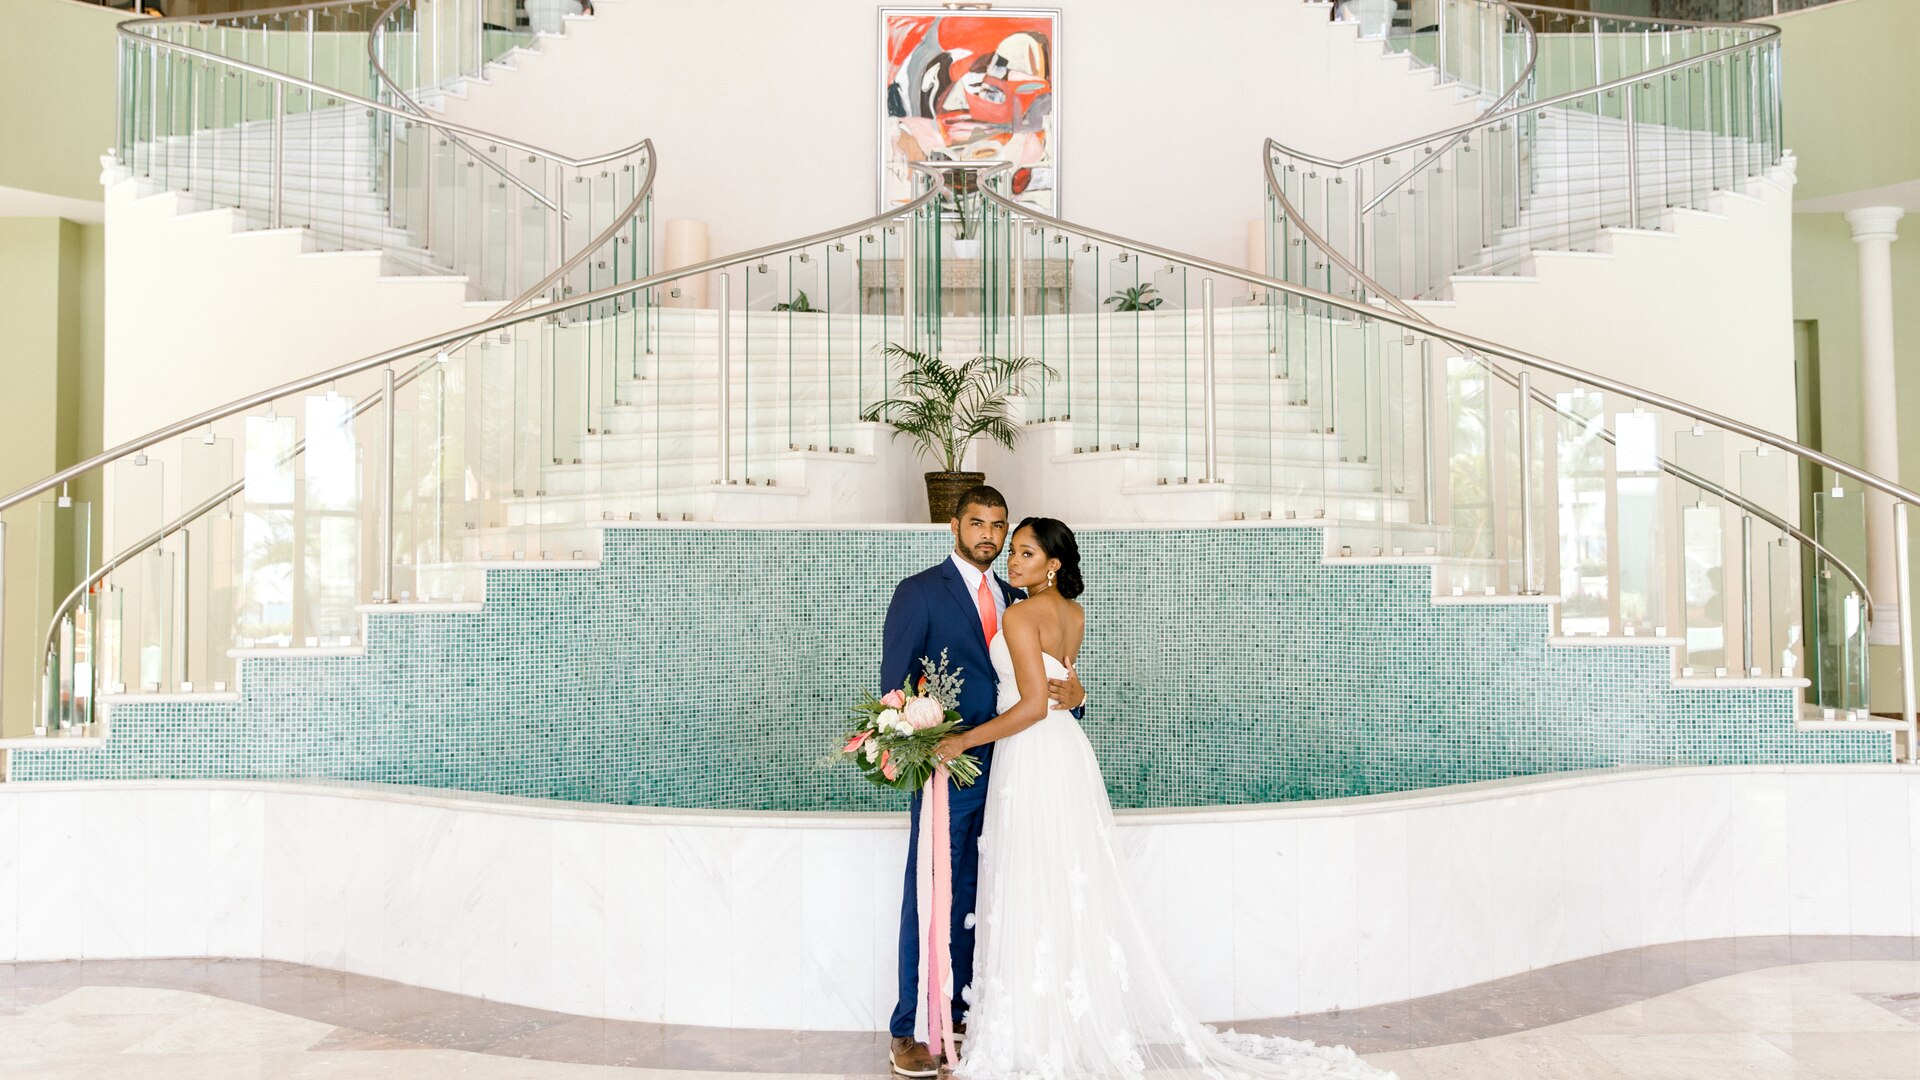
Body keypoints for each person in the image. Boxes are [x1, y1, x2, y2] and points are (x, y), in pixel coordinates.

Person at [932, 518, 1392, 1080]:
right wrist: (1078, 695)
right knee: (1059, 877)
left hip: (1030, 754)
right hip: (1065, 752)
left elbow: (1030, 706)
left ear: (1053, 564)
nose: (1013, 561)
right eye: (1015, 552)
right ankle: (1058, 1022)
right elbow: (1062, 690)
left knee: (1033, 876)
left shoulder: (1022, 613)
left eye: (1026, 553)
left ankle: (1034, 1028)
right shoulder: (1073, 614)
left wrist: (961, 740)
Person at [882, 488, 1086, 1078]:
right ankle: (910, 1029)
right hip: (954, 769)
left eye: (999, 526)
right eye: (977, 523)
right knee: (933, 892)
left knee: (991, 891)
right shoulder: (919, 592)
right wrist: (920, 750)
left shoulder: (1015, 593)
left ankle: (965, 1014)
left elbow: (1048, 685)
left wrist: (1079, 699)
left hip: (1020, 765)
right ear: (953, 526)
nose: (990, 537)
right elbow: (895, 690)